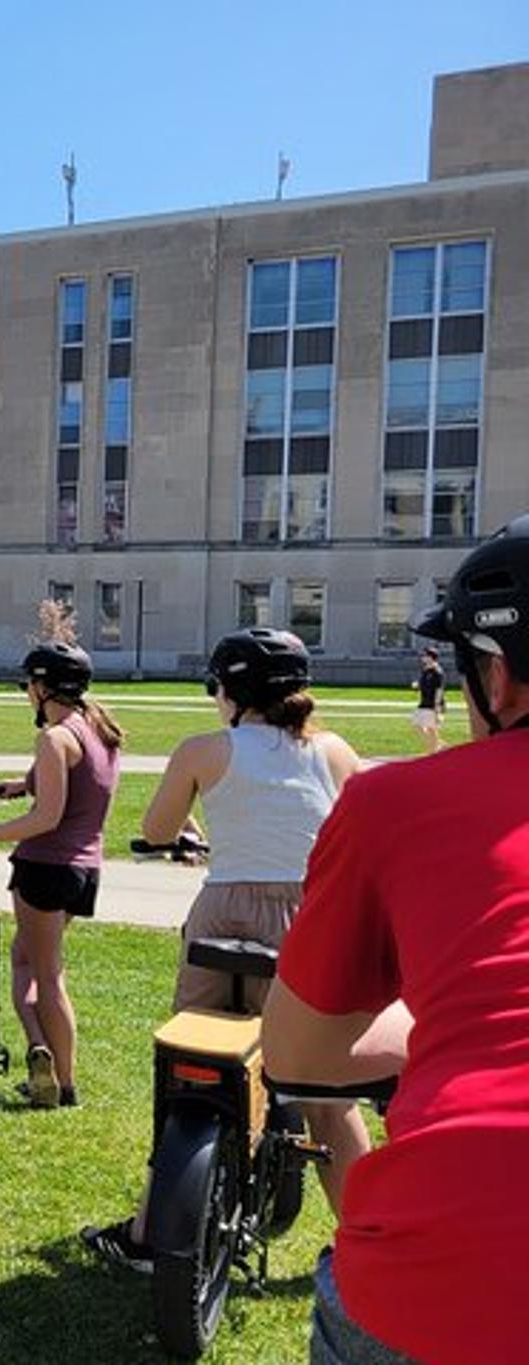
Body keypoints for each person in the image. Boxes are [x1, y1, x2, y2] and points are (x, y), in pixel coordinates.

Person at [262, 516, 529, 1365]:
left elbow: (299, 1051)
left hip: (457, 1269)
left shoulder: (399, 805)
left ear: (499, 675)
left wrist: (443, 1032)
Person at [81, 627, 371, 1273]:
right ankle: (369, 1239)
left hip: (223, 911)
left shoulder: (204, 750)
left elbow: (155, 831)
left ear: (233, 690)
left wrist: (194, 831)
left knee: (192, 1069)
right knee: (327, 1093)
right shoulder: (334, 750)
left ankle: (153, 1227)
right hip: (309, 915)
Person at [0, 641, 121, 1110]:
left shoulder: (54, 739)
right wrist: (20, 784)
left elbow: (46, 817)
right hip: (85, 869)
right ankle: (40, 1048)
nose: (26, 693)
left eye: (28, 685)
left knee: (47, 973)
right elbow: (78, 786)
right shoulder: (98, 729)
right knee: (26, 959)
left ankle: (62, 1084)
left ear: (42, 688)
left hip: (45, 867)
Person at [410, 646, 447, 754]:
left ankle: (433, 751)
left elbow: (439, 690)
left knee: (431, 729)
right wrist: (417, 686)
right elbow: (424, 685)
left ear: (431, 657)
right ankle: (438, 745)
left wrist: (437, 708)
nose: (422, 657)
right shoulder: (426, 670)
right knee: (417, 724)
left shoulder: (438, 672)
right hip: (423, 703)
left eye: (425, 655)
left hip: (433, 705)